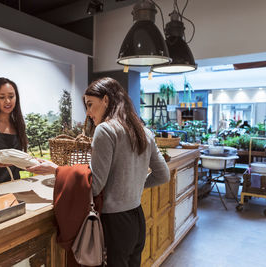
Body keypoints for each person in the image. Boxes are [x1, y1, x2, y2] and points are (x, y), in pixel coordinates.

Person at [27, 77, 170, 266]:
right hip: (137, 219)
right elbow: (163, 175)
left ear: (106, 100)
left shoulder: (105, 130)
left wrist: (57, 170)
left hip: (114, 224)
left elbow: (94, 186)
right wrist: (133, 185)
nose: (87, 113)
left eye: (90, 104)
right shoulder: (144, 131)